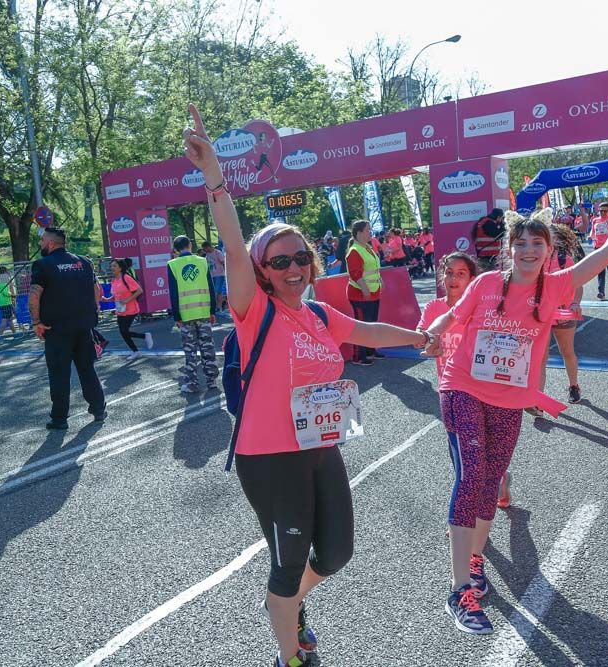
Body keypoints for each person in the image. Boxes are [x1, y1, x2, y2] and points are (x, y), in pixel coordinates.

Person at [183, 103, 431, 667]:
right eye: (279, 261)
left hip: (321, 447)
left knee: (338, 551)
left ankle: (289, 605)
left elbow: (365, 327)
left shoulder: (318, 313)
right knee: (288, 561)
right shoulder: (253, 310)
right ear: (261, 269)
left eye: (300, 257)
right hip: (269, 457)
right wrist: (215, 178)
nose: (293, 267)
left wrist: (419, 339)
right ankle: (290, 654)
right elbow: (230, 240)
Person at [424, 157, 608, 635]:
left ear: (549, 250)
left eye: (537, 243)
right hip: (463, 386)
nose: (528, 249)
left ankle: (474, 559)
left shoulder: (557, 286)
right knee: (470, 474)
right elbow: (453, 317)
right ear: (509, 250)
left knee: (490, 481)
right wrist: (432, 331)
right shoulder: (487, 283)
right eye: (520, 243)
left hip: (510, 398)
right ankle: (459, 588)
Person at [418, 252, 513, 511]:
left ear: (472, 280)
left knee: (485, 455)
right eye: (449, 273)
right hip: (451, 393)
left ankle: (499, 480)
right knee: (461, 457)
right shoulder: (433, 308)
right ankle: (464, 515)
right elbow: (423, 336)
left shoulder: (483, 308)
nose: (453, 279)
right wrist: (430, 346)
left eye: (461, 274)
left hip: (482, 392)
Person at [30, 227, 106, 430]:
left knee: (58, 374)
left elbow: (34, 295)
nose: (40, 244)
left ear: (51, 243)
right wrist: (92, 312)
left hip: (56, 329)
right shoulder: (84, 262)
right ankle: (99, 408)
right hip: (84, 326)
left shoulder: (42, 265)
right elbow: (96, 290)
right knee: (87, 369)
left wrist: (36, 322)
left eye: (42, 241)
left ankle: (59, 419)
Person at [536, 219, 585, 406]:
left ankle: (574, 386)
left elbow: (577, 285)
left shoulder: (565, 259)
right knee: (540, 357)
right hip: (540, 314)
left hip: (563, 312)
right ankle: (538, 399)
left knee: (567, 351)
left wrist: (575, 303)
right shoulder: (534, 257)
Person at [167, 235, 219, 393]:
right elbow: (211, 288)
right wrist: (212, 311)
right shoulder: (202, 261)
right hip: (203, 312)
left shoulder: (172, 265)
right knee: (207, 347)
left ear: (176, 249)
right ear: (190, 245)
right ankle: (212, 382)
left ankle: (192, 383)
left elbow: (174, 293)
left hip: (185, 315)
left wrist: (177, 316)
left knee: (190, 351)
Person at [345, 219, 382, 366]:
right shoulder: (355, 250)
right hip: (360, 294)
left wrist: (380, 281)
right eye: (367, 230)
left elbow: (373, 268)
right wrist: (365, 289)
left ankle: (370, 350)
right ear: (359, 233)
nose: (370, 233)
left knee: (371, 323)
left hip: (373, 292)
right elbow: (356, 273)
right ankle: (358, 356)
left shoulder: (367, 247)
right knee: (361, 326)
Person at [101, 258, 153, 355]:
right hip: (120, 310)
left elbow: (139, 290)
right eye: (111, 266)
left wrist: (127, 301)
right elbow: (116, 295)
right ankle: (136, 350)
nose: (112, 268)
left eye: (114, 266)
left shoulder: (126, 277)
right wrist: (108, 299)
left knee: (124, 331)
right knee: (123, 332)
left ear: (120, 268)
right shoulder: (114, 280)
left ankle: (144, 338)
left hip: (131, 309)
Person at [589, 202, 608, 299]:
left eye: (604, 211)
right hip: (598, 247)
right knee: (600, 270)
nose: (602, 213)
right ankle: (601, 292)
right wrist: (590, 236)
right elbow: (592, 231)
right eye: (600, 211)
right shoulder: (595, 220)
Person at [0, 266, 19, 338]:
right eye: (7, 272)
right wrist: (13, 295)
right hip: (5, 302)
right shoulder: (3, 280)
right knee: (5, 319)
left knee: (10, 318)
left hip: (1, 302)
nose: (8, 273)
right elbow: (6, 293)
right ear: (4, 272)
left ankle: (15, 333)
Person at [203, 241, 228, 312]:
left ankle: (219, 306)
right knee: (214, 291)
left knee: (218, 291)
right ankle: (218, 306)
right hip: (212, 275)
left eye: (205, 248)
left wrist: (225, 272)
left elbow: (223, 262)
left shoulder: (217, 253)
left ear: (208, 247)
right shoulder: (207, 255)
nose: (204, 250)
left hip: (219, 274)